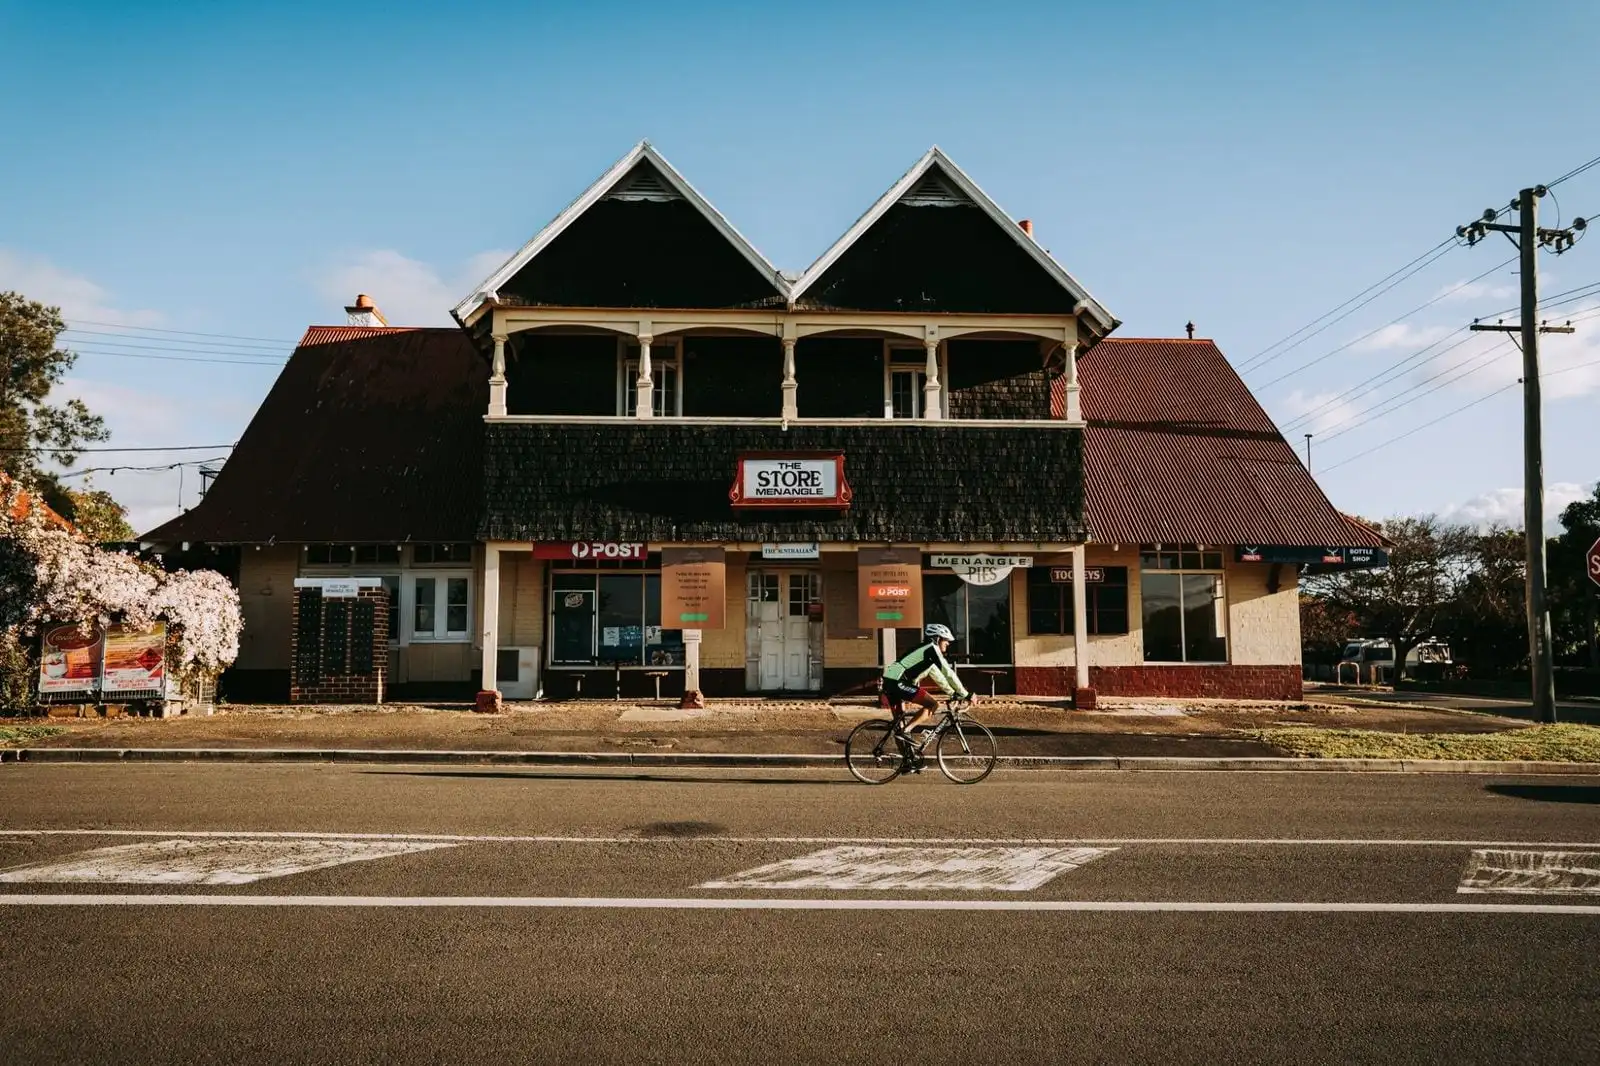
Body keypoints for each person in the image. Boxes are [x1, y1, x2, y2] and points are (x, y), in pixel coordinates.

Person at [881, 623, 973, 738]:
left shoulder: (925, 653)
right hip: (897, 682)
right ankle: (906, 731)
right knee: (932, 704)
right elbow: (948, 672)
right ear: (937, 638)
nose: (948, 643)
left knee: (899, 724)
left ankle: (907, 755)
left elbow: (939, 678)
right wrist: (966, 694)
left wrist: (953, 693)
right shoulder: (931, 649)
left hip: (890, 680)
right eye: (946, 640)